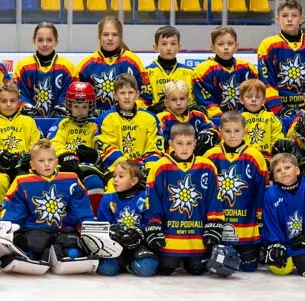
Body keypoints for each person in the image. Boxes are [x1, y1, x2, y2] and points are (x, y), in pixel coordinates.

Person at [0, 140, 105, 275]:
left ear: (57, 161)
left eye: (51, 160)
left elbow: (80, 208)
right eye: (41, 161)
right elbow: (15, 209)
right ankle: (39, 253)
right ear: (32, 164)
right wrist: (7, 226)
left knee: (73, 252)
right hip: (35, 229)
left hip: (64, 230)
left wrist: (87, 227)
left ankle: (60, 252)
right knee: (30, 252)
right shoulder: (22, 182)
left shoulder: (71, 180)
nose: (47, 164)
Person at [144, 123, 223, 276]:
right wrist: (154, 225)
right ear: (171, 144)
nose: (184, 148)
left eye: (189, 143)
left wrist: (214, 224)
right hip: (169, 239)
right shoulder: (160, 167)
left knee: (197, 270)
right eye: (179, 143)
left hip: (197, 240)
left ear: (195, 144)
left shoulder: (207, 166)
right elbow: (153, 200)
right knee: (166, 269)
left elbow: (215, 197)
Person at [205, 111, 267, 271]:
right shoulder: (211, 156)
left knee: (249, 268)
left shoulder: (255, 156)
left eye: (237, 131)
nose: (232, 135)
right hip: (218, 226)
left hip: (246, 228)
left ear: (245, 130)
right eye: (227, 131)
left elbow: (261, 190)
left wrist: (260, 218)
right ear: (220, 131)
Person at [256, 0, 305, 117]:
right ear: (278, 19)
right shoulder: (267, 45)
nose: (289, 19)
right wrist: (278, 109)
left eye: (294, 15)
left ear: (301, 19)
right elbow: (266, 82)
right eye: (284, 16)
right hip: (278, 111)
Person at [260, 153, 305, 277]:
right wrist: (275, 244)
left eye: (287, 167)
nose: (283, 172)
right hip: (284, 243)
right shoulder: (270, 194)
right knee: (280, 268)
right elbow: (271, 224)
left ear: (297, 170)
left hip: (303, 244)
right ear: (274, 178)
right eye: (278, 170)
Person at [192, 25, 276, 120]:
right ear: (213, 47)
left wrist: (248, 118)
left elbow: (257, 96)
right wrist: (223, 120)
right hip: (216, 122)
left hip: (247, 121)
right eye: (220, 44)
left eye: (230, 43)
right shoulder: (202, 71)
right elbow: (207, 102)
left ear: (236, 46)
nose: (226, 47)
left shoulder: (248, 68)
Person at [0, 82, 41, 223]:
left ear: (19, 101)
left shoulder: (28, 121)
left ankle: (27, 220)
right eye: (4, 101)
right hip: (0, 168)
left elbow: (38, 144)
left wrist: (31, 156)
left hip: (23, 166)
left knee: (27, 180)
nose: (8, 104)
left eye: (12, 100)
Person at [94, 160, 157, 277]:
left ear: (134, 181)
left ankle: (130, 264)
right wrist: (111, 232)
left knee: (147, 267)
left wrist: (140, 233)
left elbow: (151, 221)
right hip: (116, 246)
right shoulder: (108, 199)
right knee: (107, 269)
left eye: (121, 176)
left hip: (138, 245)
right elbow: (102, 225)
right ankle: (121, 262)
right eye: (114, 176)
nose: (115, 180)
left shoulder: (145, 198)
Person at [76, 17, 147, 112]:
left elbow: (146, 96)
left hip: (129, 118)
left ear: (120, 37)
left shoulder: (134, 62)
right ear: (99, 36)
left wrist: (130, 109)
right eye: (106, 34)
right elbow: (76, 97)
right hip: (96, 119)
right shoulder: (86, 65)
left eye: (114, 34)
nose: (110, 38)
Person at [14, 22, 76, 118]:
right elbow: (18, 93)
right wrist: (26, 106)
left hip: (60, 122)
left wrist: (62, 106)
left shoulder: (68, 67)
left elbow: (71, 94)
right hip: (29, 121)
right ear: (34, 41)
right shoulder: (23, 67)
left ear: (56, 42)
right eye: (40, 40)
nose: (45, 44)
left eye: (49, 40)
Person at [141, 25, 193, 112]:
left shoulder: (190, 72)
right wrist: (152, 109)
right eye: (164, 44)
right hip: (156, 117)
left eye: (173, 44)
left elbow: (192, 101)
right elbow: (142, 101)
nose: (169, 48)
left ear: (179, 47)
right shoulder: (146, 73)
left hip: (183, 118)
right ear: (155, 47)